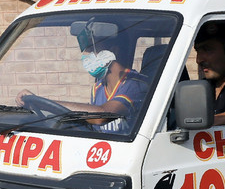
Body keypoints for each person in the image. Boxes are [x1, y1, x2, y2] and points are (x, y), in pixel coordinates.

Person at [16, 41, 148, 134]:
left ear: (113, 51)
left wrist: (45, 103)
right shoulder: (98, 88)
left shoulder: (135, 85)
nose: (85, 55)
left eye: (91, 49)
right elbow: (92, 125)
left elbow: (101, 115)